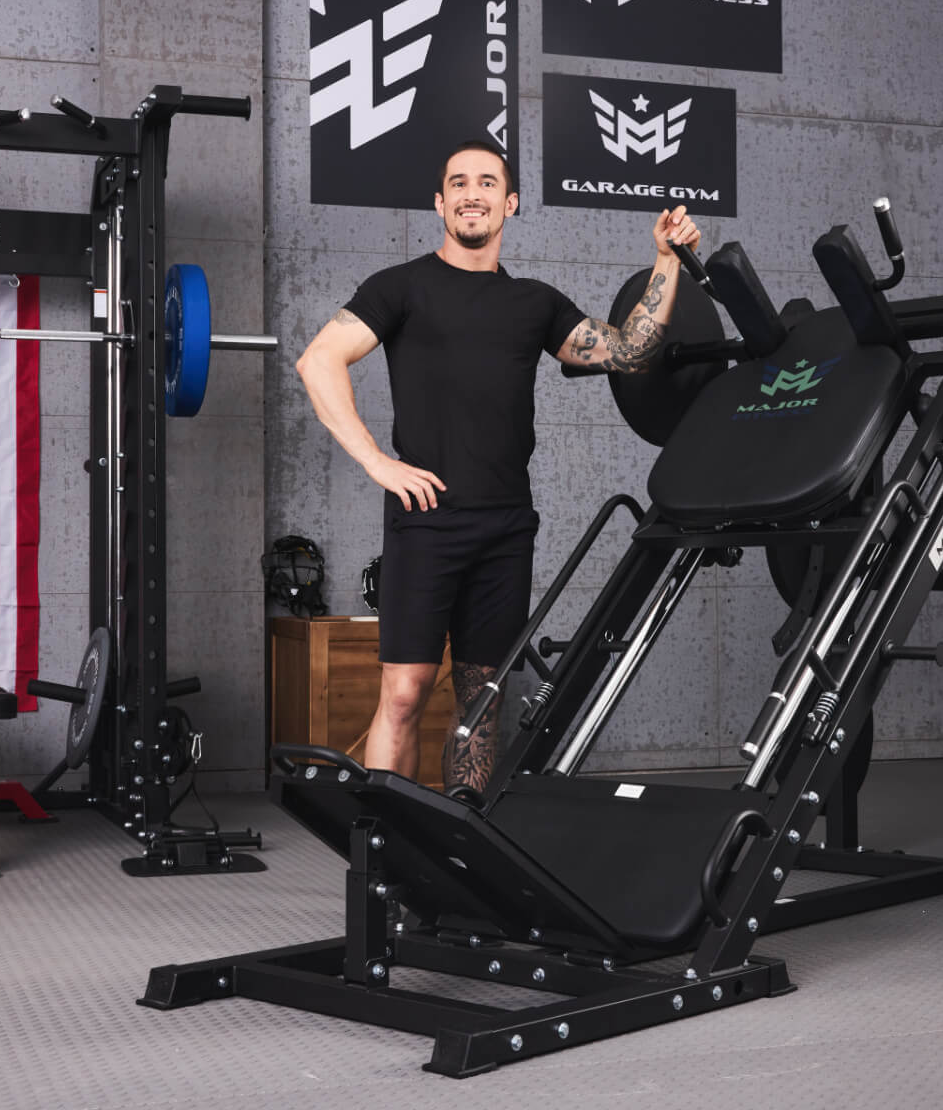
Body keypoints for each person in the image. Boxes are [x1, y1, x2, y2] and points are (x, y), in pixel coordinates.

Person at [293, 139, 700, 796]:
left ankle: (463, 835)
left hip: (506, 526)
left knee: (482, 700)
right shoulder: (401, 287)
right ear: (439, 202)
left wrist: (665, 260)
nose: (472, 193)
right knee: (403, 693)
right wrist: (377, 462)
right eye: (458, 183)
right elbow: (318, 360)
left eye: (487, 182)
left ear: (509, 202)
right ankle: (382, 853)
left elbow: (628, 352)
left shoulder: (535, 303)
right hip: (425, 523)